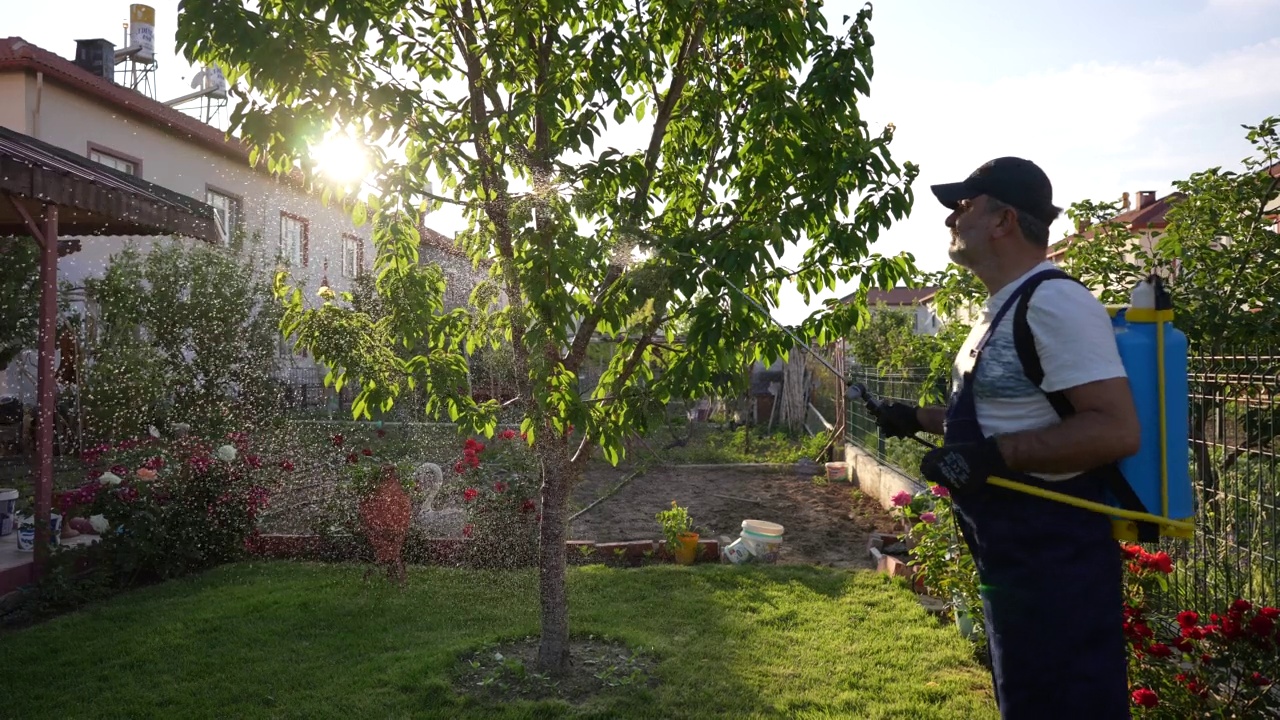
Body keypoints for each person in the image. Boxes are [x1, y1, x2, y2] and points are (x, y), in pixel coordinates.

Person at [870, 157, 1142, 719]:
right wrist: (914, 419)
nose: (952, 219)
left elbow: (1114, 428)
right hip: (1010, 558)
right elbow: (1005, 412)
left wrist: (990, 458)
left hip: (1056, 561)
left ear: (1004, 221)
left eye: (963, 206)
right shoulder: (1003, 307)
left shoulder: (1055, 301)